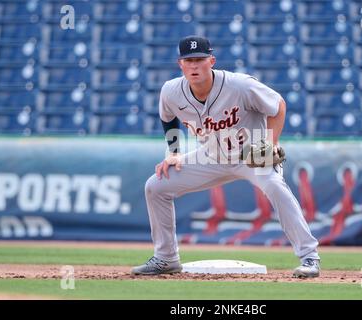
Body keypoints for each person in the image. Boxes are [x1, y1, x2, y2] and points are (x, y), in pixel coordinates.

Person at [131, 35, 320, 278]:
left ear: (212, 61)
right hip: (210, 156)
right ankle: (166, 258)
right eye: (188, 61)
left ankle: (309, 257)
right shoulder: (171, 91)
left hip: (250, 155)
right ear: (180, 64)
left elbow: (278, 105)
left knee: (274, 186)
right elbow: (168, 118)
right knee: (155, 186)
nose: (194, 65)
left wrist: (271, 143)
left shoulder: (239, 85)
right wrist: (175, 153)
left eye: (199, 59)